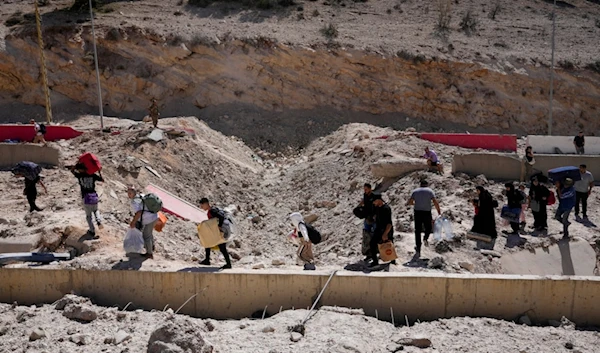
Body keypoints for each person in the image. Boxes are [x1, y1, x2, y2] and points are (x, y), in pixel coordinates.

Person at [406, 180, 441, 257]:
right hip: (426, 212)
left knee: (417, 230)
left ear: (420, 185)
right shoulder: (430, 191)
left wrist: (416, 203)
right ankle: (425, 238)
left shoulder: (415, 191)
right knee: (428, 227)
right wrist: (439, 211)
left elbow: (410, 202)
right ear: (427, 185)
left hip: (417, 212)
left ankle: (418, 247)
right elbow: (435, 201)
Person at [71, 163, 104, 238]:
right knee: (96, 210)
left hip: (86, 198)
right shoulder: (92, 175)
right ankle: (99, 220)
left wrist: (76, 165)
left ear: (80, 169)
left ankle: (92, 231)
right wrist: (99, 171)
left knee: (88, 216)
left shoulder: (79, 175)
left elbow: (72, 171)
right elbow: (102, 180)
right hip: (94, 196)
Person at [198, 198, 233, 269]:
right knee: (207, 242)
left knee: (222, 247)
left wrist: (219, 226)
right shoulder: (212, 210)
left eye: (202, 206)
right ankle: (207, 260)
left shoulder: (212, 210)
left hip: (219, 231)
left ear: (206, 204)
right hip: (216, 231)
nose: (201, 208)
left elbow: (221, 217)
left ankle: (228, 264)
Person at [127, 186, 158, 259]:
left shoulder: (134, 202)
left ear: (134, 193)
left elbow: (139, 213)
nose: (128, 195)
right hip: (154, 216)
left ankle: (149, 253)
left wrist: (133, 222)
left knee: (146, 236)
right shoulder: (142, 196)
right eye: (128, 193)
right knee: (148, 233)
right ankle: (151, 247)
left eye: (130, 193)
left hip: (149, 219)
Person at [370, 194, 394, 266]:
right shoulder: (377, 208)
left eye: (374, 201)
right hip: (379, 229)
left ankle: (392, 261)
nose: (374, 203)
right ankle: (375, 261)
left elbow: (389, 223)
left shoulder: (386, 208)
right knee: (372, 244)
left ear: (379, 200)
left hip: (386, 230)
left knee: (389, 244)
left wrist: (385, 234)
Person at [358, 183, 376, 261]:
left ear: (370, 189)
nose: (365, 191)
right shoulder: (365, 195)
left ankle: (376, 253)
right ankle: (369, 254)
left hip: (374, 219)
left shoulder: (375, 196)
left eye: (366, 189)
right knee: (367, 236)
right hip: (367, 218)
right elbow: (363, 202)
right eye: (364, 189)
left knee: (375, 236)